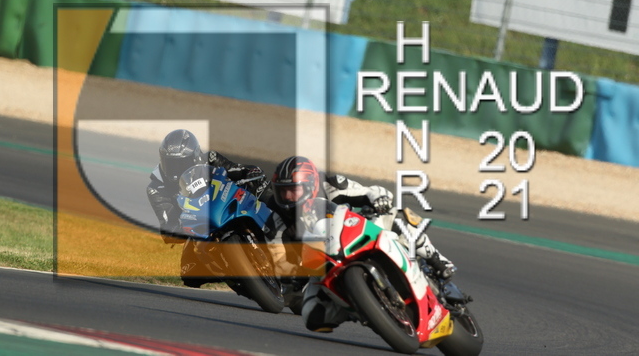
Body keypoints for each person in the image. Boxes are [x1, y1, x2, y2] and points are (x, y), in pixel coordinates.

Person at [265, 155, 455, 332]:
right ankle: (361, 308)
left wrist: (379, 200)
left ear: (310, 185)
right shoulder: (275, 217)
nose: (287, 197)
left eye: (293, 190)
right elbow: (279, 261)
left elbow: (371, 192)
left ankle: (437, 260)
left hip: (356, 235)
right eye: (282, 191)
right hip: (323, 266)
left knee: (396, 215)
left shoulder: (332, 186)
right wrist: (293, 274)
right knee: (312, 317)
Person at [146, 129, 270, 287]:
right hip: (198, 225)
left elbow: (238, 170)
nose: (176, 170)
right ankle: (238, 278)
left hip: (228, 204)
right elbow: (169, 223)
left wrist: (251, 173)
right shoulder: (157, 188)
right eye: (170, 163)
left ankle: (291, 223)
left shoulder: (210, 159)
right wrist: (175, 231)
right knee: (190, 274)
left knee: (265, 190)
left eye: (181, 163)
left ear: (195, 156)